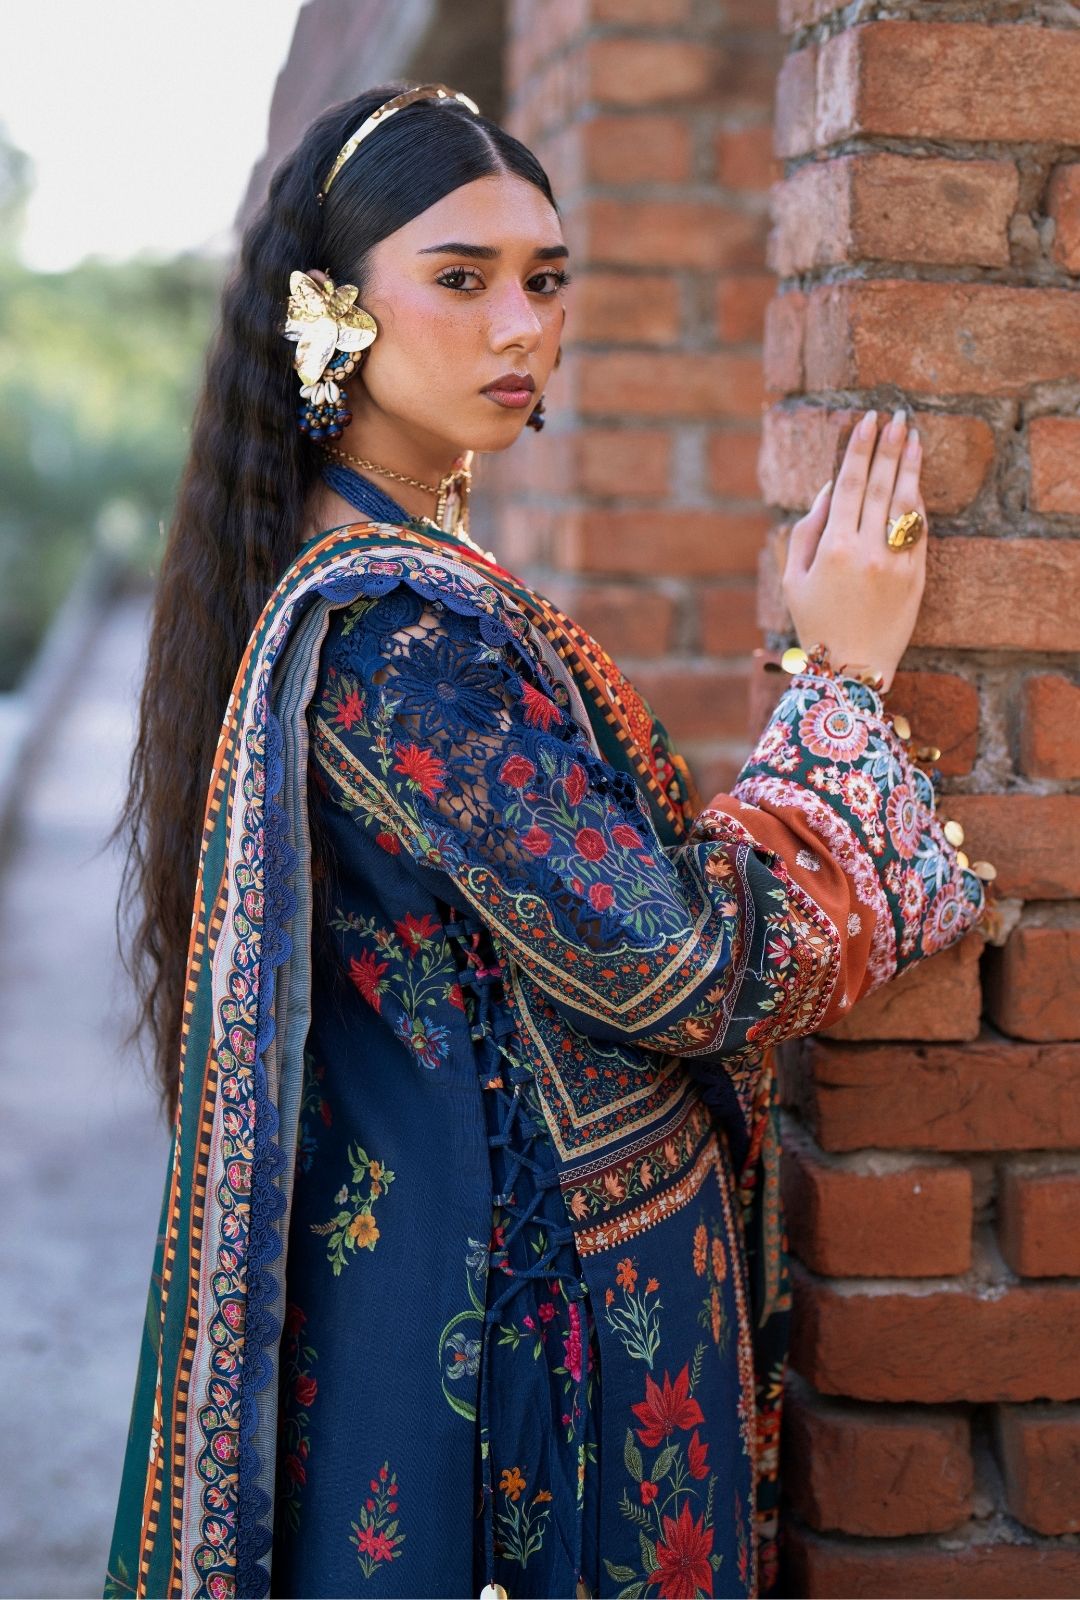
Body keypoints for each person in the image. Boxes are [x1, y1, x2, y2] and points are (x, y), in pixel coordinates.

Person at [106, 83, 988, 1600]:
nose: (521, 325)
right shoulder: (399, 641)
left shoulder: (382, 579)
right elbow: (689, 969)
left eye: (547, 278)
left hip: (479, 1286)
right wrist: (840, 681)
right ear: (329, 313)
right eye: (461, 279)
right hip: (527, 1363)